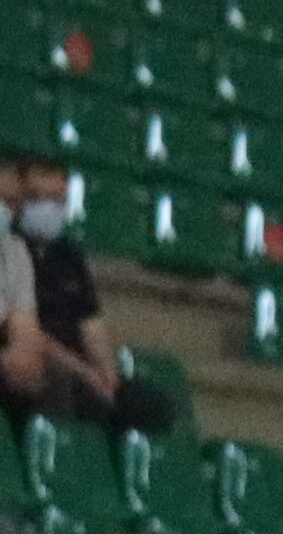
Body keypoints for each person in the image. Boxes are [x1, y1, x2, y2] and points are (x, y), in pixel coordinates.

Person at [0, 149, 174, 434]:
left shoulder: (66, 255)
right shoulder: (14, 247)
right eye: (38, 199)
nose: (48, 209)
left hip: (71, 365)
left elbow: (91, 323)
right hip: (54, 365)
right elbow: (31, 337)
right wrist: (85, 374)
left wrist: (107, 374)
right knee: (53, 385)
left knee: (149, 405)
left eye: (58, 200)